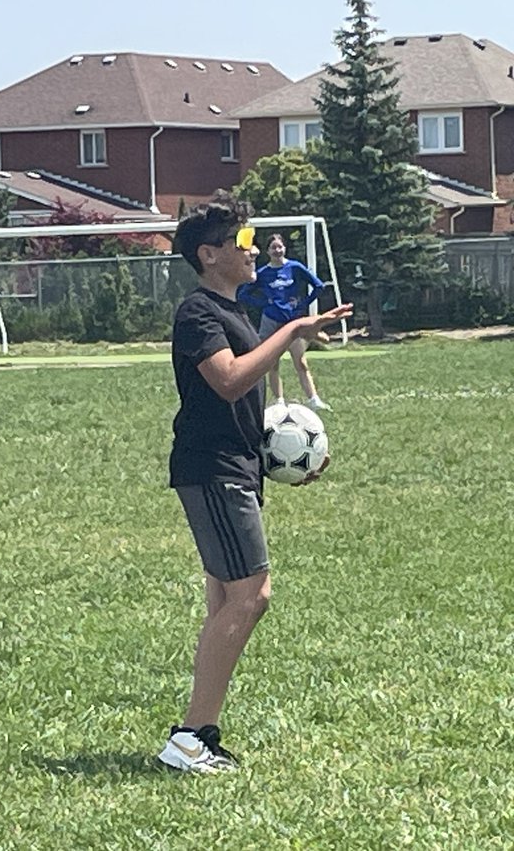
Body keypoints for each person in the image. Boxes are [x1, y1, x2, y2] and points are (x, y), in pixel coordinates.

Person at [158, 195, 351, 774]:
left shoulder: (233, 310)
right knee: (251, 596)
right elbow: (229, 380)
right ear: (208, 254)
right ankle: (188, 738)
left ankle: (199, 735)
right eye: (242, 242)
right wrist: (291, 329)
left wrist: (281, 453)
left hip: (235, 468)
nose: (253, 250)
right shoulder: (199, 313)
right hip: (212, 469)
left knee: (227, 599)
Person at [238, 234, 330, 410]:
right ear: (267, 251)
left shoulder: (295, 267)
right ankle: (279, 400)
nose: (277, 250)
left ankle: (313, 399)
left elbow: (319, 286)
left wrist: (302, 304)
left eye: (280, 247)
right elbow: (243, 295)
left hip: (292, 321)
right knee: (272, 364)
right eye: (273, 247)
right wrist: (264, 303)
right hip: (271, 322)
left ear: (285, 248)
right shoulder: (263, 273)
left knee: (301, 362)